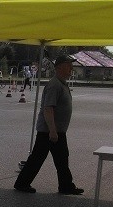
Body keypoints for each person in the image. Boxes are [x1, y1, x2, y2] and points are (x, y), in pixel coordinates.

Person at [13, 54, 84, 195]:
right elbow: (48, 108)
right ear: (60, 67)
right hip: (49, 131)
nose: (71, 68)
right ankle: (22, 183)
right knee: (38, 158)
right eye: (69, 65)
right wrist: (52, 130)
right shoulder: (54, 85)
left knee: (61, 158)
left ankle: (65, 186)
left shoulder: (61, 83)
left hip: (56, 131)